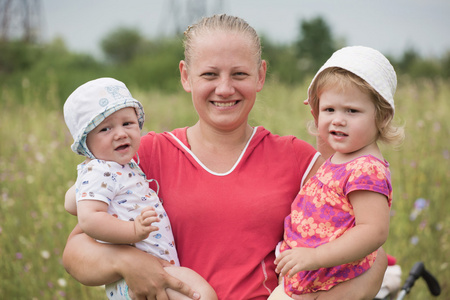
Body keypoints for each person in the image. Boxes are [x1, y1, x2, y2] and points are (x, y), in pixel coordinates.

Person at [62, 15, 388, 300]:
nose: (224, 88)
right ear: (186, 76)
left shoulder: (299, 160)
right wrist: (128, 262)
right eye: (209, 75)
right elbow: (76, 252)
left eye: (239, 75)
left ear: (260, 75)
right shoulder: (143, 155)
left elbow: (370, 255)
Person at [63, 77, 217, 300]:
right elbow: (88, 220)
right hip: (144, 273)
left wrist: (80, 188)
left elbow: (71, 203)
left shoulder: (121, 167)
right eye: (105, 128)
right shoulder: (100, 171)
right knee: (201, 295)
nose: (121, 133)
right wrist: (133, 231)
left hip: (158, 265)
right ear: (86, 144)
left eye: (127, 123)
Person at [271, 46, 405, 298]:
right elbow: (326, 143)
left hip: (329, 279)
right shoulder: (343, 155)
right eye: (329, 110)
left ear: (382, 116)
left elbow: (373, 230)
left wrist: (315, 256)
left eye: (351, 111)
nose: (338, 120)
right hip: (309, 272)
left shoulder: (366, 168)